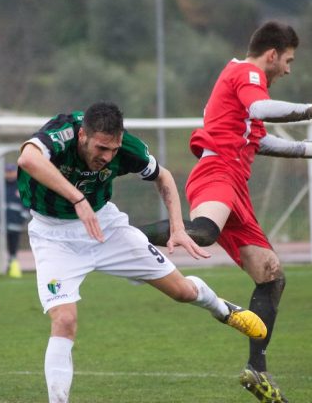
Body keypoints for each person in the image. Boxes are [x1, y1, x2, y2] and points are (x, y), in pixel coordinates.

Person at [137, 21, 312, 403]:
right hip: (216, 171)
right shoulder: (246, 72)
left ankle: (257, 370)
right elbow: (261, 109)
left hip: (237, 185)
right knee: (201, 233)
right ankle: (116, 236)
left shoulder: (247, 85)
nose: (289, 69)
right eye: (288, 60)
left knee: (271, 275)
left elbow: (259, 139)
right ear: (272, 54)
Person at [17, 102, 267, 403]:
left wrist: (176, 226)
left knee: (183, 292)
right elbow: (28, 158)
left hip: (106, 227)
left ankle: (223, 309)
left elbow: (164, 178)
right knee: (65, 319)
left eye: (114, 149)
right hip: (52, 235)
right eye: (101, 148)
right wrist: (77, 198)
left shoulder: (128, 149)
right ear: (83, 135)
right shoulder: (63, 132)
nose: (108, 157)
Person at [4, 162, 27, 278]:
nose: (9, 174)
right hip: (3, 224)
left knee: (13, 247)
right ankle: (6, 266)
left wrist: (22, 217)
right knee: (4, 245)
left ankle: (12, 266)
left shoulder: (20, 185)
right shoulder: (1, 186)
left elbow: (26, 204)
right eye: (7, 172)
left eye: (11, 171)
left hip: (15, 223)